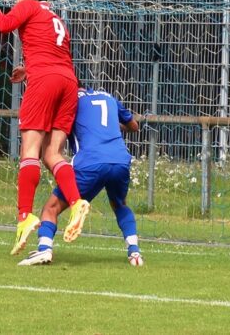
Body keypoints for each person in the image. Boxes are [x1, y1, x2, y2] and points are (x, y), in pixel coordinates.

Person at [0, 0, 91, 255]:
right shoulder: (56, 19)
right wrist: (28, 69)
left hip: (45, 81)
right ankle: (76, 202)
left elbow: (3, 24)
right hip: (68, 83)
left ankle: (24, 217)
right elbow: (54, 54)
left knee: (30, 151)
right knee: (53, 154)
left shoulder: (29, 6)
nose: (16, 1)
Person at [17, 86, 143, 267]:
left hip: (90, 162)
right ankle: (134, 252)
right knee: (120, 204)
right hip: (120, 159)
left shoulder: (69, 101)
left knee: (50, 208)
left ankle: (44, 248)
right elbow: (134, 126)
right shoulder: (107, 96)